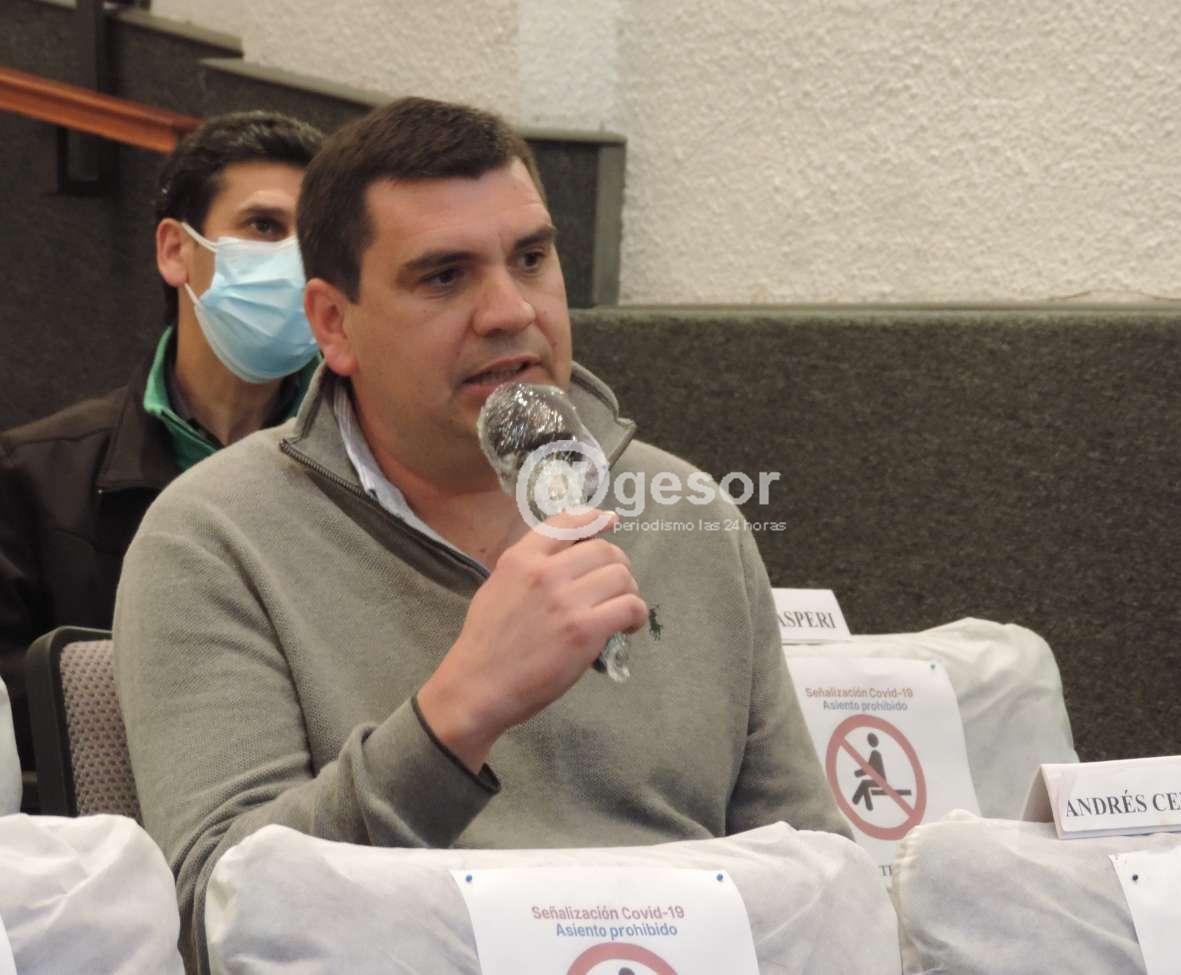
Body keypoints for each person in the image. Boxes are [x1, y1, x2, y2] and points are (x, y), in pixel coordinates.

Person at [113, 97, 847, 972]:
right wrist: (459, 714)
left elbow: (819, 882)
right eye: (444, 276)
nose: (509, 310)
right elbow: (215, 916)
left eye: (531, 258)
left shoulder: (687, 514)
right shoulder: (213, 536)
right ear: (333, 324)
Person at [0, 111, 323, 794]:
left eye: (316, 238)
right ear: (176, 250)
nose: (295, 262)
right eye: (264, 227)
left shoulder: (366, 466)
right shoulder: (34, 477)